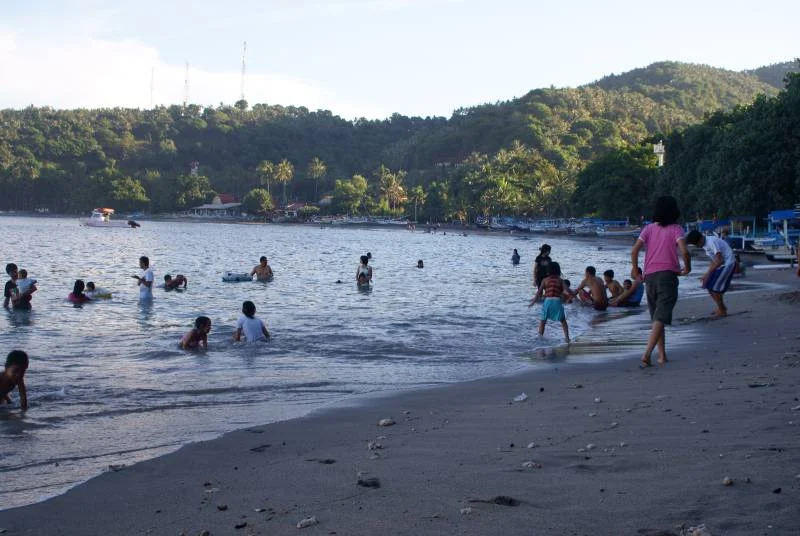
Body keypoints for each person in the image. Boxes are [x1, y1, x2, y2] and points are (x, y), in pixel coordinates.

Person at [631, 195, 691, 367]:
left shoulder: (648, 228)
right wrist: (687, 268)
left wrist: (635, 269)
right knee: (660, 317)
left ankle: (662, 355)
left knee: (657, 317)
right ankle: (647, 353)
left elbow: (634, 250)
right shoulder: (676, 229)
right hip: (668, 276)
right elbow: (685, 252)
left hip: (650, 277)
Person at [686, 230, 736, 318]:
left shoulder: (712, 242)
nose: (697, 246)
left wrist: (707, 274)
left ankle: (722, 310)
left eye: (696, 244)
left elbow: (720, 260)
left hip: (728, 264)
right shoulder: (705, 245)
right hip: (721, 265)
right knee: (708, 285)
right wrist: (707, 275)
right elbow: (714, 261)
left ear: (700, 239)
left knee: (715, 289)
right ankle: (721, 307)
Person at [529, 262, 570, 342]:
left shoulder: (545, 280)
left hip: (547, 301)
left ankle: (540, 337)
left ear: (548, 271)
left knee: (543, 321)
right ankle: (567, 337)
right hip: (557, 301)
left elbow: (539, 292)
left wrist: (533, 302)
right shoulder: (560, 280)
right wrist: (573, 295)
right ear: (558, 270)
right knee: (563, 320)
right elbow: (567, 290)